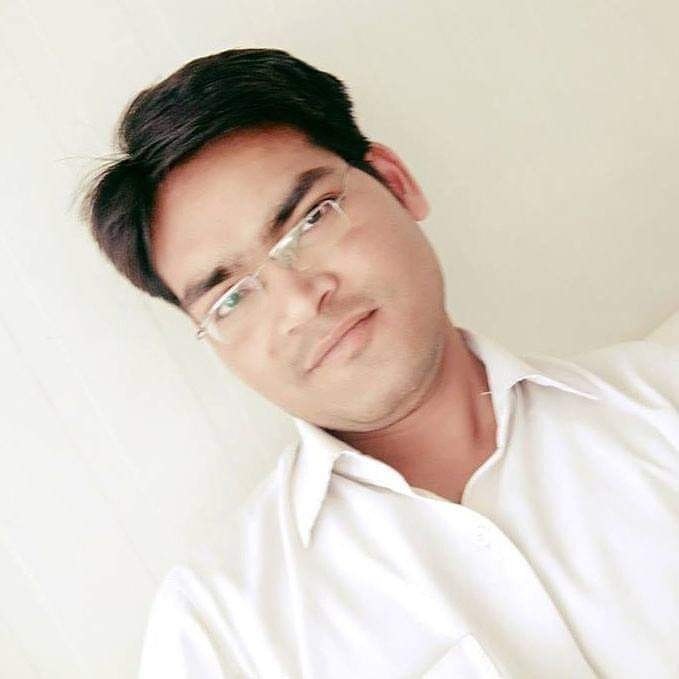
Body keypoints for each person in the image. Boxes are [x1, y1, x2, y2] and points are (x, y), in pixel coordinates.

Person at [81, 48, 679, 679]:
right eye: (230, 298)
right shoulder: (221, 628)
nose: (299, 302)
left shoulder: (659, 396)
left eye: (309, 220)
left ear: (396, 181)